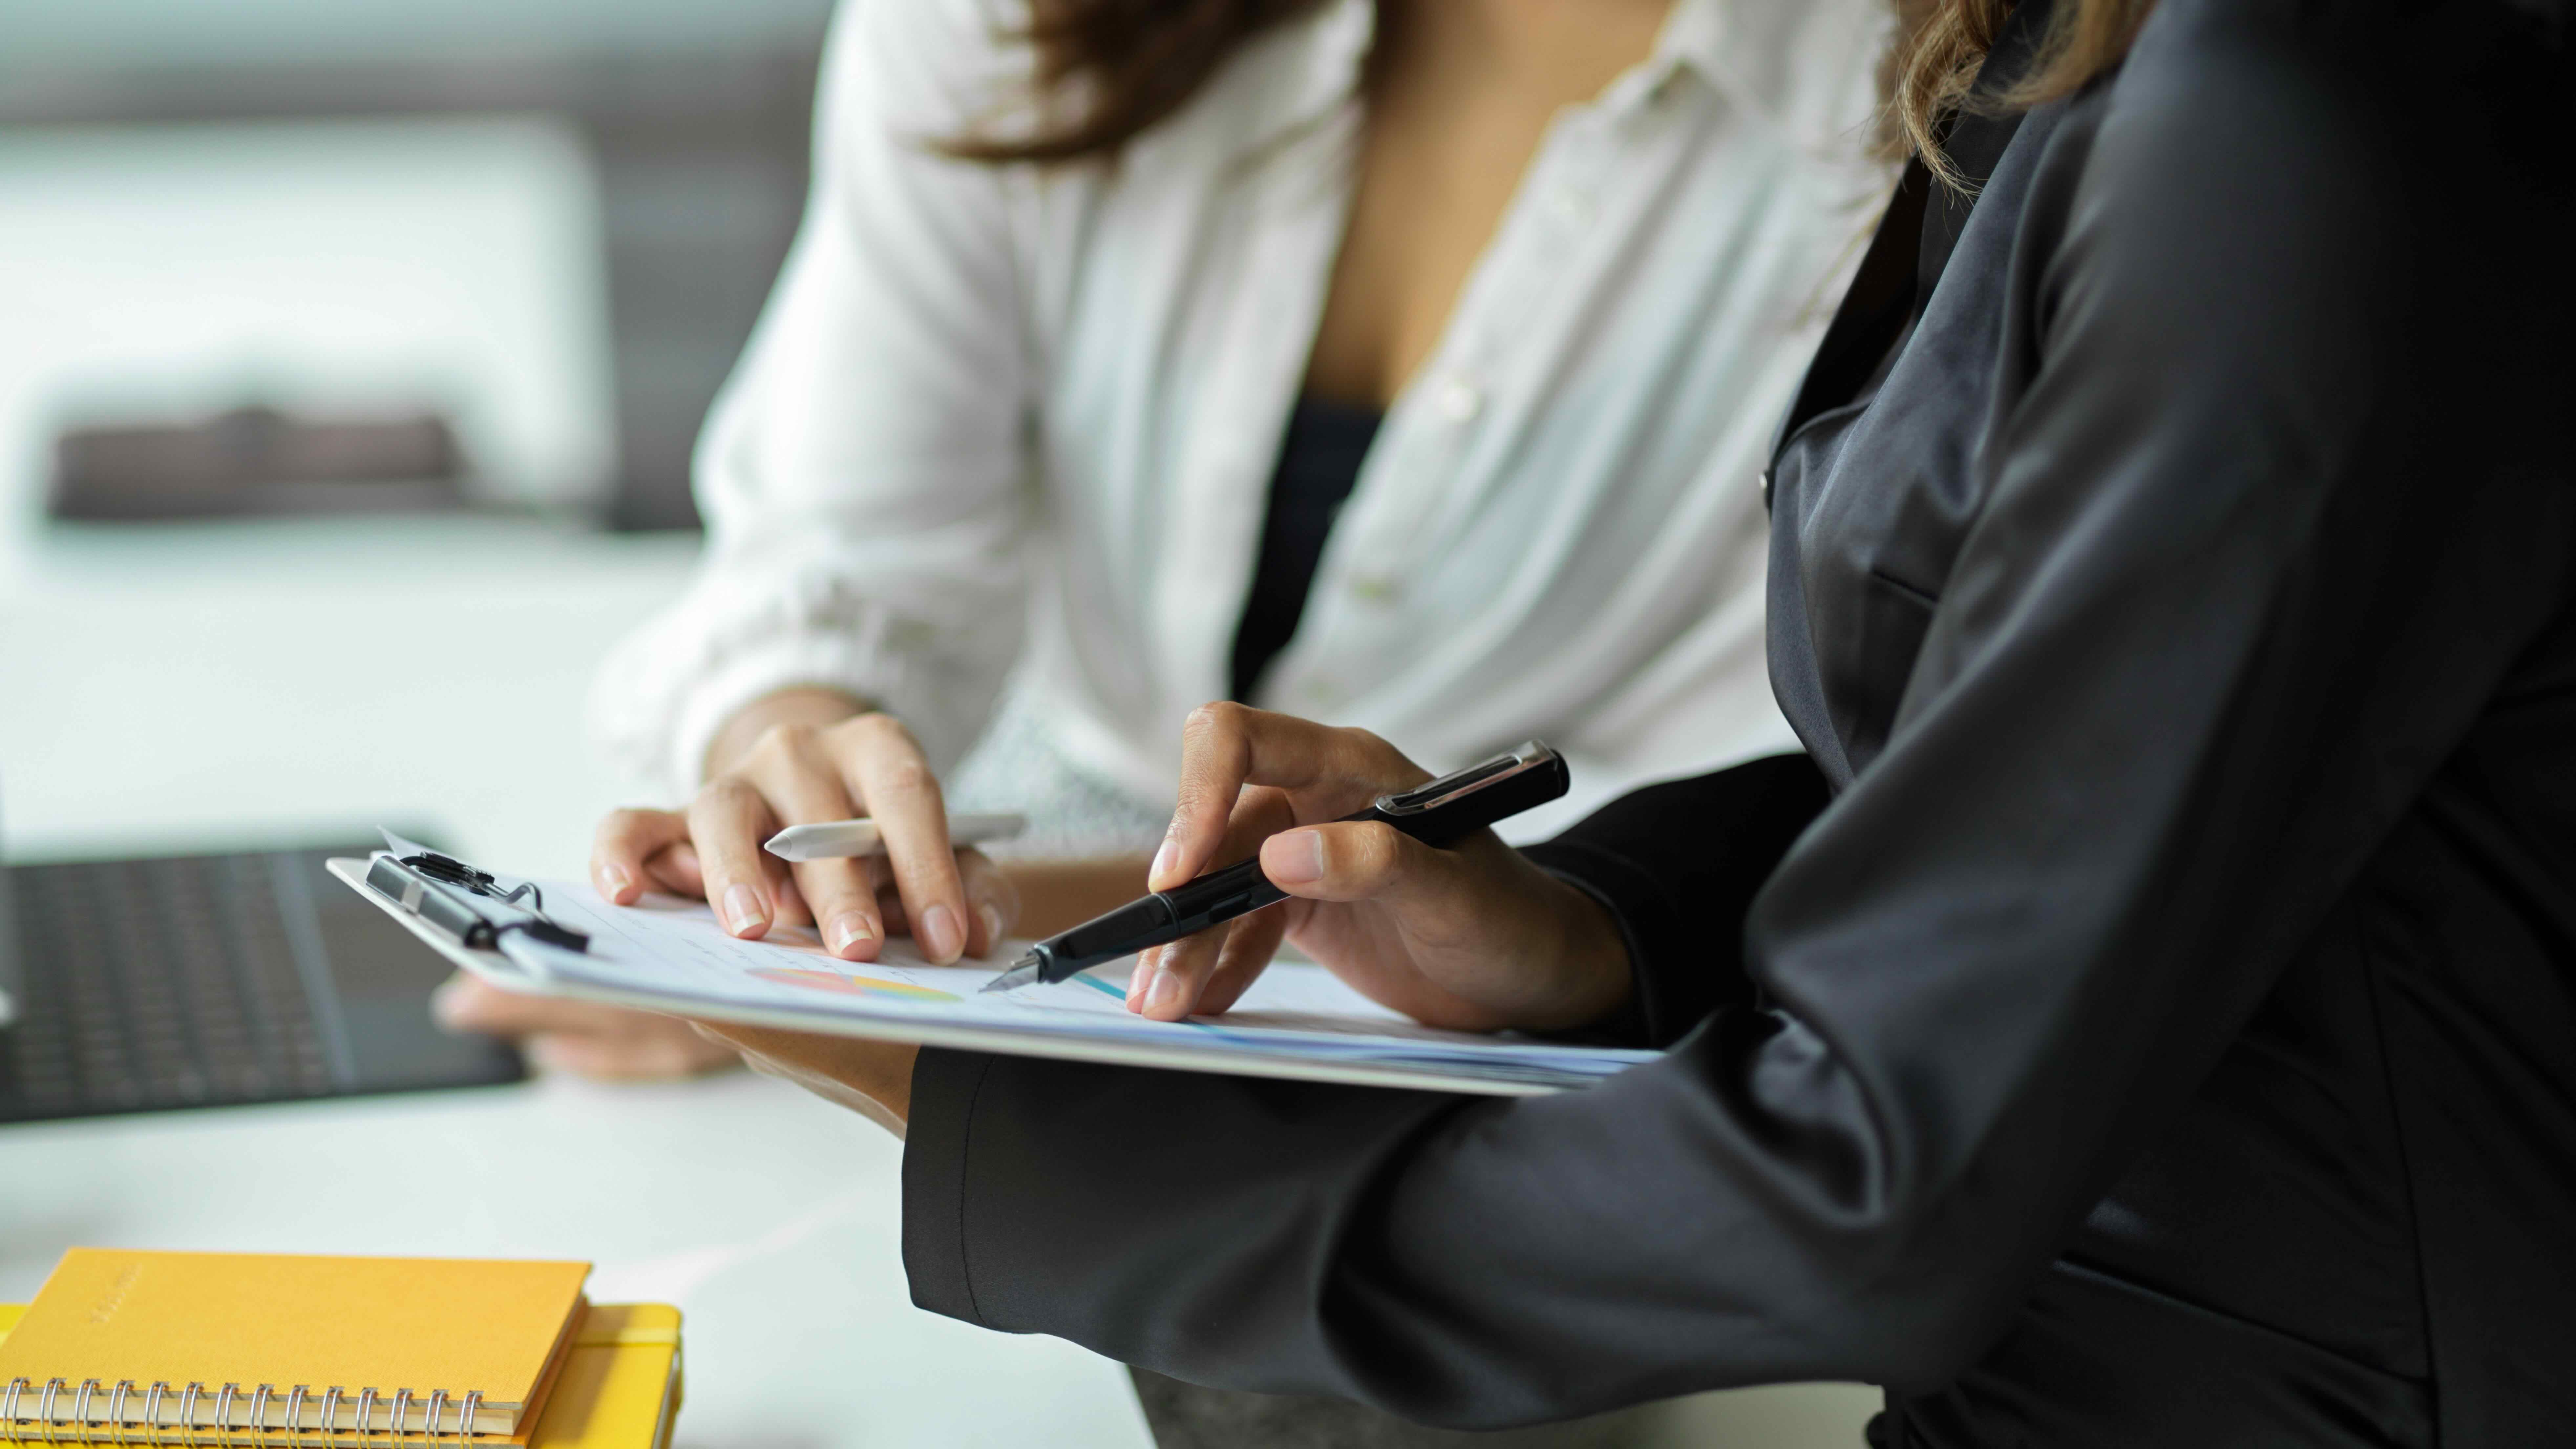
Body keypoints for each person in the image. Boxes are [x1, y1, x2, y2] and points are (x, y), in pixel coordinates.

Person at [684, 0, 2576, 1441]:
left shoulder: (2269, 117)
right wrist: (1584, 933)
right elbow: (2036, 765)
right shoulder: (2060, 55)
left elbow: (1870, 1188)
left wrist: (1002, 1120)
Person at [439, 0, 1890, 1074]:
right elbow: (854, 545)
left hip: (1515, 1054)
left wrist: (964, 935)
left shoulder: (1938, 119)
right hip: (1036, 919)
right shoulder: (1015, 24)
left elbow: (1782, 797)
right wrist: (802, 772)